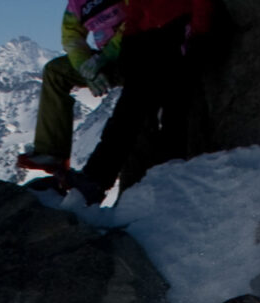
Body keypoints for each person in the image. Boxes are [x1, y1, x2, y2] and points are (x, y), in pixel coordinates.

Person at [73, 0, 214, 203]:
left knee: (167, 110)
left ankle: (97, 179)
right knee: (135, 110)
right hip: (152, 40)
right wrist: (130, 43)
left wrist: (198, 33)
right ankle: (98, 178)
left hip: (178, 32)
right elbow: (136, 11)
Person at [18, 0, 127, 192]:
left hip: (144, 51)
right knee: (56, 72)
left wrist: (102, 59)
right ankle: (52, 153)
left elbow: (138, 19)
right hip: (108, 61)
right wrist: (86, 67)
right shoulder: (77, 4)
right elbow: (71, 35)